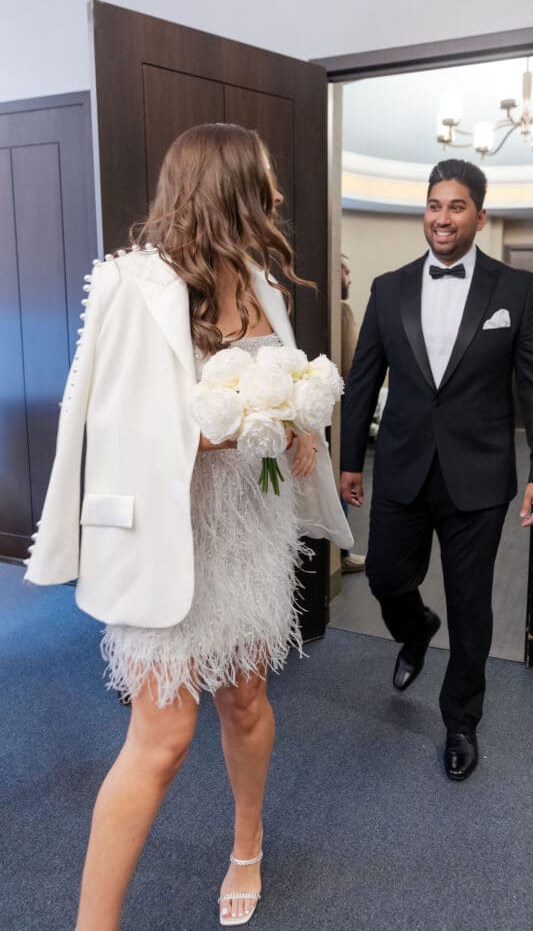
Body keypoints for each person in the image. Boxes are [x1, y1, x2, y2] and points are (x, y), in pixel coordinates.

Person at [24, 123, 352, 930]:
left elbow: (282, 376)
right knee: (161, 738)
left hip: (247, 529)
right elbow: (109, 421)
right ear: (228, 185)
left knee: (244, 699)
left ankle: (248, 844)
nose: (276, 194)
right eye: (265, 178)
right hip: (166, 535)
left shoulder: (263, 281)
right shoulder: (130, 285)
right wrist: (213, 428)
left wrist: (296, 425)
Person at [340, 158, 533, 783]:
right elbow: (362, 382)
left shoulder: (514, 292)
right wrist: (349, 461)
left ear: (479, 215)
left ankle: (461, 720)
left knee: (472, 608)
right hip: (403, 467)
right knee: (384, 576)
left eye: (457, 206)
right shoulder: (388, 288)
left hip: (479, 476)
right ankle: (415, 629)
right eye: (435, 205)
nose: (443, 217)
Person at [339, 253, 366, 574]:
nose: (349, 279)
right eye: (345, 272)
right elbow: (351, 366)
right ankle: (342, 554)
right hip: (340, 410)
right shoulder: (342, 312)